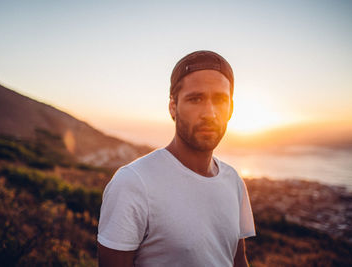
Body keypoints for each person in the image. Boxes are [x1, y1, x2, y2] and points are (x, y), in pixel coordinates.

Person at [97, 50, 255, 267]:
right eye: (195, 99)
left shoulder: (233, 181)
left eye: (220, 100)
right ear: (173, 107)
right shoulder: (133, 183)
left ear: (231, 109)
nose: (209, 113)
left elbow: (238, 260)